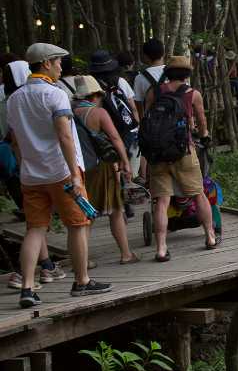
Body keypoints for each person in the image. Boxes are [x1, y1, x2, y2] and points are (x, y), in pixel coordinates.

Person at [7, 43, 112, 307]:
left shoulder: (14, 99)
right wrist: (74, 174)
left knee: (35, 229)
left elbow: (15, 141)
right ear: (45, 63)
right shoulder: (55, 94)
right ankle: (82, 281)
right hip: (61, 171)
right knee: (77, 224)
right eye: (57, 62)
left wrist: (23, 166)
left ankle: (27, 288)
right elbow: (65, 136)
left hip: (31, 175)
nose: (60, 67)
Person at [143, 55, 217, 260]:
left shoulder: (154, 92)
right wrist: (204, 135)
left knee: (162, 201)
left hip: (158, 154)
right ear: (187, 74)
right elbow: (202, 122)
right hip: (183, 151)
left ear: (167, 73)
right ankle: (210, 237)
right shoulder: (193, 94)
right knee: (198, 193)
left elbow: (146, 120)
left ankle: (161, 248)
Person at [2, 59, 65, 286]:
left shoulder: (10, 100)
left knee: (36, 222)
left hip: (24, 169)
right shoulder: (37, 97)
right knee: (41, 224)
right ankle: (29, 273)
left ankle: (43, 268)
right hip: (44, 167)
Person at [72, 76, 138, 265]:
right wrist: (125, 161)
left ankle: (83, 261)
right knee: (115, 211)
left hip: (79, 168)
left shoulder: (68, 113)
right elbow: (115, 138)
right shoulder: (98, 113)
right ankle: (126, 254)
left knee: (87, 213)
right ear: (94, 95)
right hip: (102, 167)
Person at [90, 49, 141, 181]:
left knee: (112, 166)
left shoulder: (91, 85)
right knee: (129, 167)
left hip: (103, 133)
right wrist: (136, 127)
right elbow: (133, 108)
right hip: (126, 129)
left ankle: (117, 186)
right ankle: (129, 184)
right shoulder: (120, 81)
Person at [133, 39, 166, 116]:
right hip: (175, 119)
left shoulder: (140, 78)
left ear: (145, 56)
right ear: (163, 53)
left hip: (152, 120)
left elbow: (138, 103)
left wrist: (142, 120)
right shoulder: (174, 72)